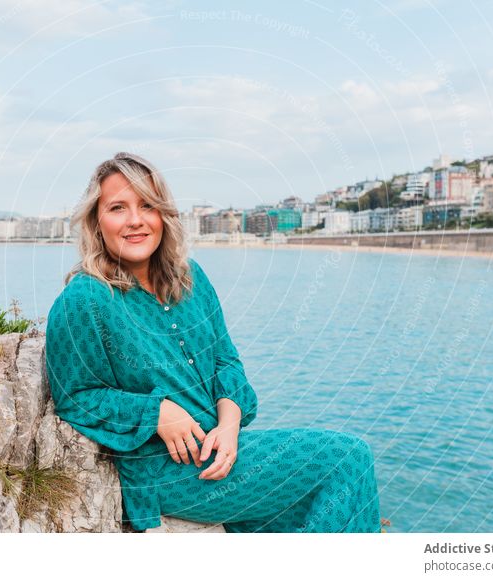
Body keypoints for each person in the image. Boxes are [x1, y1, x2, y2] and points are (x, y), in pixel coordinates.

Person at [44, 152, 381, 532]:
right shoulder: (85, 299)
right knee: (346, 458)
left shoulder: (190, 279)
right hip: (167, 469)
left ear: (164, 216)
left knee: (325, 507)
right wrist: (156, 413)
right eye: (118, 208)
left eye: (148, 206)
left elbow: (225, 359)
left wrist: (230, 425)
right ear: (96, 221)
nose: (136, 220)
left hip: (222, 450)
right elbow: (75, 396)